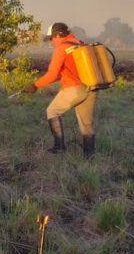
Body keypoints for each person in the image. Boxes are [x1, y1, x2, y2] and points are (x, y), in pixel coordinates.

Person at [23, 22, 96, 158]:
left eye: (51, 38)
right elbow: (64, 72)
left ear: (58, 35)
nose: (51, 42)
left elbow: (52, 74)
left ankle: (59, 147)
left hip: (74, 89)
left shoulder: (62, 49)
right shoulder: (79, 43)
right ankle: (89, 158)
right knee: (86, 124)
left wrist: (35, 86)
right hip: (91, 87)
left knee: (52, 111)